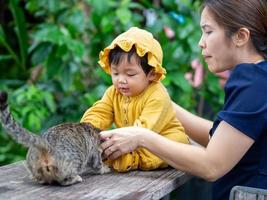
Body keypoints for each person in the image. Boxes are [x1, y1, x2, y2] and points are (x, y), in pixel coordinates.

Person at [99, 0, 267, 199]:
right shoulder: (260, 77)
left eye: (208, 31)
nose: (201, 42)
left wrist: (141, 136)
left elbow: (211, 165)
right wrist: (160, 103)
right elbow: (221, 141)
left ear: (240, 36)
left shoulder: (254, 82)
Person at [80, 27, 189, 172]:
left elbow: (145, 129)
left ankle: (134, 159)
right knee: (107, 146)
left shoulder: (157, 95)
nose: (121, 80)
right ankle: (119, 156)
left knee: (167, 148)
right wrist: (86, 130)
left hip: (160, 138)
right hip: (130, 141)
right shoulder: (113, 92)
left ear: (151, 74)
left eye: (130, 74)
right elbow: (100, 112)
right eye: (115, 73)